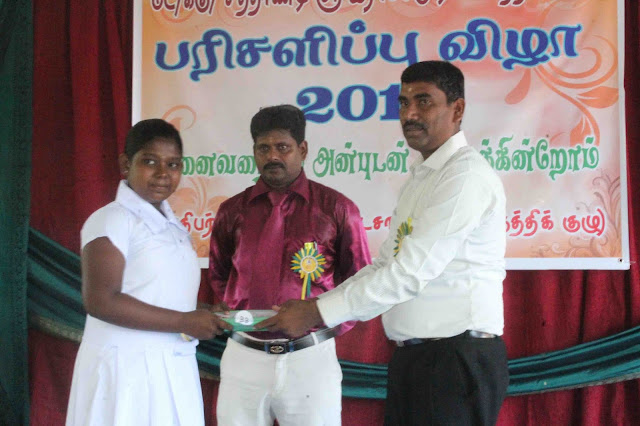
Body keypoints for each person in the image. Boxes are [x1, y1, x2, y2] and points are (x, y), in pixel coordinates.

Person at [258, 61, 510, 425]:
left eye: (424, 101)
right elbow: (385, 266)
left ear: (457, 110)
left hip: (455, 361)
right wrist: (315, 305)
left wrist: (316, 313)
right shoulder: (422, 177)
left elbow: (408, 274)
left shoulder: (464, 176)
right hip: (418, 360)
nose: (410, 114)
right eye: (403, 102)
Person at [208, 104, 371, 426]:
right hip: (244, 357)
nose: (272, 156)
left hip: (310, 360)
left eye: (282, 147)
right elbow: (219, 274)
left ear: (303, 149)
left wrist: (320, 327)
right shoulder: (231, 211)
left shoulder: (338, 209)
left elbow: (360, 283)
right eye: (263, 148)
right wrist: (242, 314)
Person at [66, 119, 232, 426]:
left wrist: (203, 312)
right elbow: (101, 301)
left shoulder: (173, 226)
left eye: (173, 164)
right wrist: (184, 321)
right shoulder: (111, 219)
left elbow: (155, 293)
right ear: (125, 165)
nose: (163, 173)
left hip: (171, 364)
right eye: (150, 161)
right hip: (125, 369)